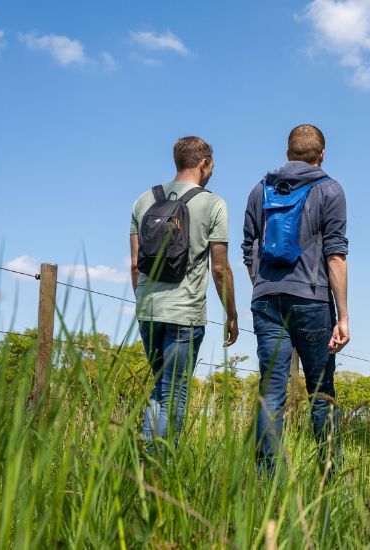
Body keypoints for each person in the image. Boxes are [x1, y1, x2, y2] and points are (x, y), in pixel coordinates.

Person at [242, 124, 350, 476]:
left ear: (288, 153)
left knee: (270, 393)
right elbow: (335, 256)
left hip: (267, 301)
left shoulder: (259, 190)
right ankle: (331, 479)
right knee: (321, 393)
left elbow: (249, 249)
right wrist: (344, 316)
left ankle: (266, 480)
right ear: (321, 154)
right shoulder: (330, 190)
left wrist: (262, 285)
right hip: (312, 301)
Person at [129, 136, 239, 452]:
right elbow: (220, 270)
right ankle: (158, 467)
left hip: (148, 310)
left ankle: (146, 461)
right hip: (185, 314)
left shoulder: (143, 200)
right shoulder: (214, 203)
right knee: (174, 391)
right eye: (212, 164)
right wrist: (231, 314)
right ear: (204, 164)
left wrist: (144, 301)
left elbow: (137, 266)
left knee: (160, 388)